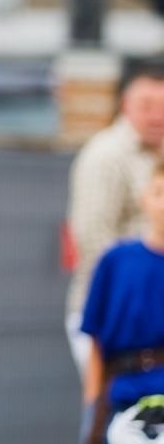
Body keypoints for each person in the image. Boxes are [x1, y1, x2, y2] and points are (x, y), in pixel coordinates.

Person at [67, 66, 164, 376]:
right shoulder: (105, 156)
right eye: (147, 106)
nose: (157, 116)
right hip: (115, 317)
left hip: (155, 316)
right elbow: (95, 242)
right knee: (114, 412)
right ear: (125, 105)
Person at [79, 158, 164, 444]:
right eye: (159, 192)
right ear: (144, 198)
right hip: (120, 405)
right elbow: (97, 342)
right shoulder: (115, 261)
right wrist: (91, 408)